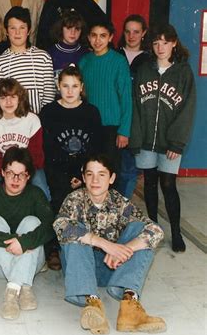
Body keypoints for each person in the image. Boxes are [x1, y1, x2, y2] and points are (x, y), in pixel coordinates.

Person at [53, 154, 166, 335]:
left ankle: (130, 306)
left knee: (139, 229)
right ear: (83, 177)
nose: (95, 180)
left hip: (112, 269)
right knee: (75, 230)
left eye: (102, 174)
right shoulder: (74, 200)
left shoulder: (120, 202)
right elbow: (60, 225)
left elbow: (156, 230)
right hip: (80, 270)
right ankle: (93, 305)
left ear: (112, 178)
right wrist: (106, 244)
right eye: (90, 174)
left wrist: (123, 249)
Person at [130, 24, 196, 252]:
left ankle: (176, 231)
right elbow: (136, 106)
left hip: (170, 143)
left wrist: (177, 142)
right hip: (146, 139)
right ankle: (154, 228)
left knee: (168, 184)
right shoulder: (144, 70)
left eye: (165, 42)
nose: (160, 47)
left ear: (174, 43)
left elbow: (188, 108)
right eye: (156, 43)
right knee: (149, 183)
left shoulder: (183, 72)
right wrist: (136, 138)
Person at [0, 147, 54, 320]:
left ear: (29, 176)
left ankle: (13, 289)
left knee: (33, 222)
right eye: (10, 173)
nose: (15, 179)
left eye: (21, 174)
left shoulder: (36, 194)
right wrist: (16, 242)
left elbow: (50, 226)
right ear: (1, 172)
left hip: (32, 265)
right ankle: (24, 286)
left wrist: (24, 243)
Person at [39, 64, 102, 269]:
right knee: (58, 199)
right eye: (65, 86)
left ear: (81, 87)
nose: (69, 91)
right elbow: (48, 148)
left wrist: (80, 173)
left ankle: (86, 244)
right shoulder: (49, 112)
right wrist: (68, 175)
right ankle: (54, 248)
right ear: (58, 86)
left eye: (74, 86)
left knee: (88, 201)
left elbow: (94, 148)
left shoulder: (91, 112)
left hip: (84, 171)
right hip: (57, 168)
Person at [0, 78, 50, 200]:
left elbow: (36, 154)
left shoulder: (32, 120)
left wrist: (21, 171)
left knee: (41, 188)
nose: (8, 102)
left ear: (20, 98)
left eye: (12, 97)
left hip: (29, 167)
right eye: (3, 98)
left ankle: (44, 218)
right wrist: (8, 172)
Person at [79, 20, 132, 175]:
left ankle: (110, 200)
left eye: (103, 36)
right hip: (90, 126)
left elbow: (126, 98)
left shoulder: (119, 61)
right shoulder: (85, 61)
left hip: (112, 127)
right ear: (88, 37)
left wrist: (124, 131)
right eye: (94, 35)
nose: (98, 40)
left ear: (110, 38)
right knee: (91, 168)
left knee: (110, 170)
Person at [0, 6, 56, 114]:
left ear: (29, 30)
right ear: (6, 31)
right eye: (12, 28)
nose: (17, 33)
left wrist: (38, 120)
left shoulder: (43, 57)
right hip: (11, 122)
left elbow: (49, 96)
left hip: (40, 121)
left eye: (22, 28)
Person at [116, 14, 150, 199]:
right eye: (128, 31)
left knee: (129, 170)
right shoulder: (114, 54)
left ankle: (122, 208)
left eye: (136, 32)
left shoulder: (149, 60)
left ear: (143, 33)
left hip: (137, 122)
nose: (131, 36)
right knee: (112, 167)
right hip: (114, 119)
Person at [47, 10, 88, 87]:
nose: (73, 33)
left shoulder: (86, 54)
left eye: (77, 29)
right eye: (69, 28)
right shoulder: (49, 54)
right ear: (61, 28)